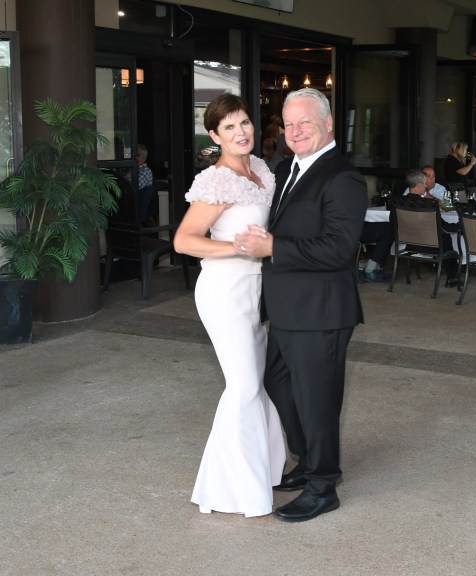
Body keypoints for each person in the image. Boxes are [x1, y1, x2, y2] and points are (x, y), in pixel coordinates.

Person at [234, 88, 366, 523]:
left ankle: (323, 485)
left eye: (305, 122)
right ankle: (309, 458)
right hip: (288, 307)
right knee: (276, 381)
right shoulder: (285, 165)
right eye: (289, 123)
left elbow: (340, 249)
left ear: (328, 123)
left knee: (317, 399)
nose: (295, 131)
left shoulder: (342, 177)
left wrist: (275, 246)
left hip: (322, 309)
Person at [173, 93, 286, 518]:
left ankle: (266, 468)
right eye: (230, 127)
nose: (241, 133)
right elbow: (184, 240)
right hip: (225, 290)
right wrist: (236, 247)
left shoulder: (258, 168)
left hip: (258, 290)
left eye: (244, 123)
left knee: (255, 384)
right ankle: (229, 490)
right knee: (242, 387)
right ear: (214, 134)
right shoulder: (217, 179)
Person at [403, 168, 461, 287]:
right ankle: (453, 277)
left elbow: (394, 223)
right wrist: (461, 226)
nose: (426, 186)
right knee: (447, 238)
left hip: (409, 244)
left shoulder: (398, 202)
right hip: (429, 247)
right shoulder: (428, 204)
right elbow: (443, 227)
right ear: (419, 185)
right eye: (424, 183)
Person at [136, 144, 155, 224]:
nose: (135, 158)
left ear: (144, 157)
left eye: (137, 155)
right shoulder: (133, 170)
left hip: (134, 210)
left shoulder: (145, 171)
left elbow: (132, 189)